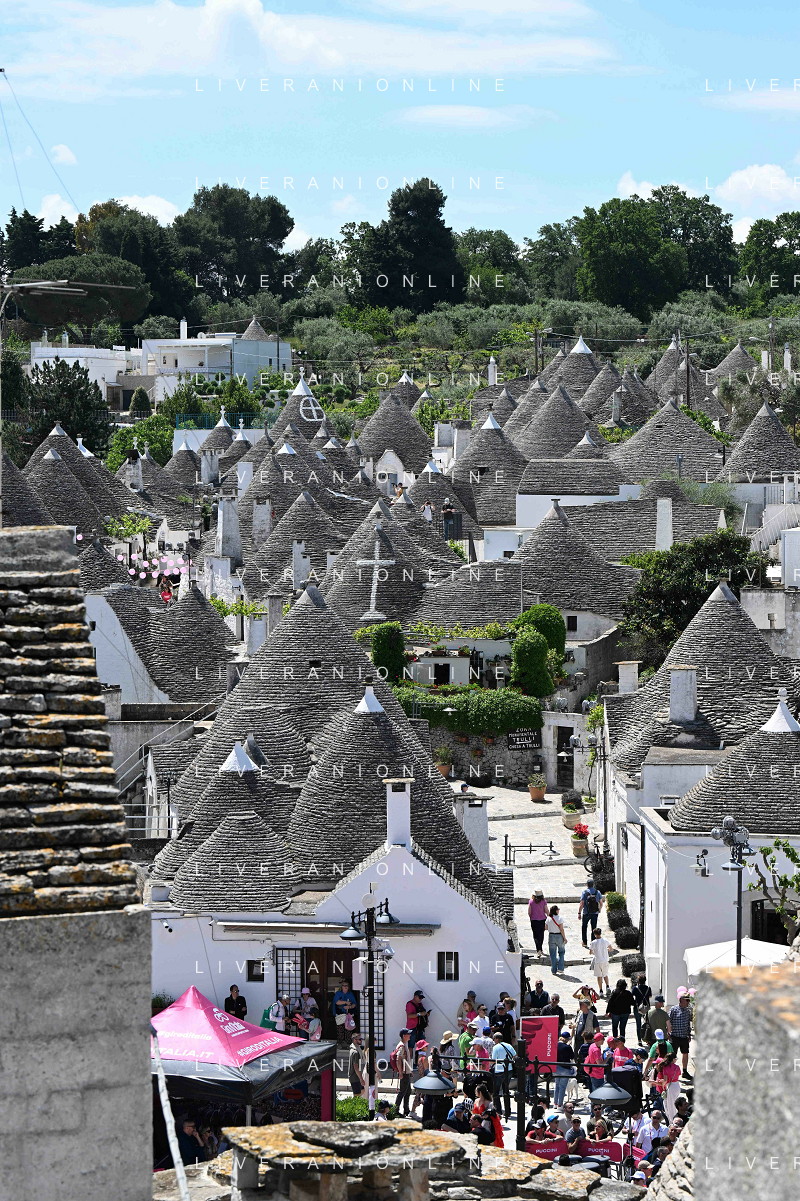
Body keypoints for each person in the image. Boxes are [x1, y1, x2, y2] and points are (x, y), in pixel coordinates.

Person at [666, 993, 693, 1079]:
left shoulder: (688, 1011)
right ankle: (670, 1071)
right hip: (674, 1036)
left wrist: (689, 1034)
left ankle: (684, 1071)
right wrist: (668, 1032)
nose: (688, 1002)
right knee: (672, 1055)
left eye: (689, 1000)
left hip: (684, 1036)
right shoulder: (674, 1009)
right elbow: (668, 1021)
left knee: (685, 1053)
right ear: (681, 1000)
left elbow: (688, 1023)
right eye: (687, 1000)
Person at [490, 1030, 515, 1122]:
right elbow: (515, 1056)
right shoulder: (508, 1045)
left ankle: (498, 1110)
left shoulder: (496, 1047)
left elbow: (493, 1061)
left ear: (496, 1039)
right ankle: (508, 1111)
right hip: (509, 1070)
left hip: (499, 1071)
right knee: (506, 1091)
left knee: (496, 1091)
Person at [653, 1052, 682, 1121]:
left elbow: (665, 1080)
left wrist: (663, 1086)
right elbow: (678, 1075)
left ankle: (672, 1122)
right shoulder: (677, 1067)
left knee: (670, 1107)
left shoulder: (665, 1067)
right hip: (677, 1085)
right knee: (669, 1104)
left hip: (670, 1086)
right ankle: (671, 1120)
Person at [578, 879, 604, 947]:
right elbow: (601, 903)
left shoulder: (584, 893)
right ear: (593, 884)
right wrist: (599, 909)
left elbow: (582, 904)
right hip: (595, 913)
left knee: (584, 927)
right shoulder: (597, 892)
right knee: (594, 927)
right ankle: (593, 942)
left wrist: (579, 913)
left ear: (587, 885)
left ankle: (584, 942)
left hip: (586, 913)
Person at [553, 1032, 575, 1109]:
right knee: (562, 1087)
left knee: (557, 1085)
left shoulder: (555, 1045)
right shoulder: (567, 1047)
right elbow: (572, 1057)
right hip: (565, 1068)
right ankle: (560, 1104)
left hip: (556, 1067)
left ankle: (555, 1103)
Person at [588, 927, 613, 996]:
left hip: (598, 961)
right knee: (605, 975)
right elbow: (611, 949)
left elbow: (590, 952)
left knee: (599, 976)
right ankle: (607, 986)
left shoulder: (593, 942)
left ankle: (601, 991)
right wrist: (606, 950)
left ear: (595, 934)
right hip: (605, 960)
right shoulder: (605, 940)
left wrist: (594, 952)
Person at [394, 1029, 414, 1115]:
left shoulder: (404, 1045)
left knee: (408, 1091)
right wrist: (400, 1072)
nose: (410, 1036)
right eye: (408, 1034)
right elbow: (398, 1059)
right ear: (404, 1036)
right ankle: (395, 1111)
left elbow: (406, 1060)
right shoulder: (401, 1046)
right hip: (404, 1073)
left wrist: (410, 1070)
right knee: (402, 1092)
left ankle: (406, 1109)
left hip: (407, 1072)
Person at [333, 979, 357, 1045]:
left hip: (349, 1014)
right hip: (340, 1014)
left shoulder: (350, 994)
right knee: (340, 1030)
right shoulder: (338, 993)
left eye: (347, 985)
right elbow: (337, 1002)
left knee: (349, 1030)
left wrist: (349, 1007)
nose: (346, 987)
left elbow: (354, 1004)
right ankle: (340, 1044)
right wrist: (346, 1002)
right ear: (341, 986)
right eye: (344, 985)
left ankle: (348, 1044)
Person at [546, 905, 567, 975]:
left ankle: (553, 970)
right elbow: (561, 929)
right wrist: (564, 938)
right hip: (559, 936)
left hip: (551, 936)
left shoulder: (548, 918)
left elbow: (546, 928)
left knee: (552, 954)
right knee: (561, 951)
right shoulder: (560, 918)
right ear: (556, 911)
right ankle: (560, 968)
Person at [631, 975, 652, 1044]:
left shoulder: (635, 988)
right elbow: (650, 996)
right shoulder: (648, 988)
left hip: (638, 1007)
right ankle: (647, 1039)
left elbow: (632, 995)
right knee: (647, 1024)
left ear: (638, 981)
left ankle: (639, 1040)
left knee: (638, 1024)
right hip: (646, 1007)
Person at [527, 889, 549, 957]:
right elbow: (546, 911)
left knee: (536, 936)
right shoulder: (543, 901)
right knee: (541, 935)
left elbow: (529, 912)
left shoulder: (531, 901)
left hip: (534, 920)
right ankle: (540, 948)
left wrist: (531, 917)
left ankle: (538, 950)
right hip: (542, 920)